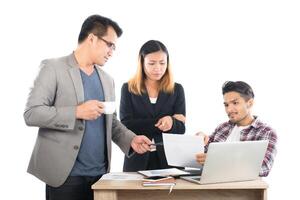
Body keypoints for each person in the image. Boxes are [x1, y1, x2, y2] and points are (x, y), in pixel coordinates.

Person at [24, 15, 152, 200]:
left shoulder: (108, 80)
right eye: (110, 45)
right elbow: (32, 113)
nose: (111, 52)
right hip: (65, 176)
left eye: (114, 47)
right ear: (91, 38)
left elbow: (111, 122)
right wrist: (76, 112)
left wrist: (131, 140)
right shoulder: (53, 68)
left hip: (101, 176)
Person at [120, 40, 186, 172]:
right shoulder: (128, 88)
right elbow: (126, 125)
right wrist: (168, 121)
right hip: (137, 158)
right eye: (151, 63)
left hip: (170, 160)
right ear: (142, 63)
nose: (158, 68)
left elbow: (181, 128)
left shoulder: (177, 89)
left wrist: (172, 123)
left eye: (162, 63)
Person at [196, 81, 277, 177]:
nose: (229, 109)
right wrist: (198, 140)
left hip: (242, 189)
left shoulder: (266, 132)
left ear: (250, 103)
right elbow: (202, 156)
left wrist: (219, 160)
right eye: (226, 105)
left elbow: (264, 168)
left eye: (235, 103)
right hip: (209, 184)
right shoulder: (222, 127)